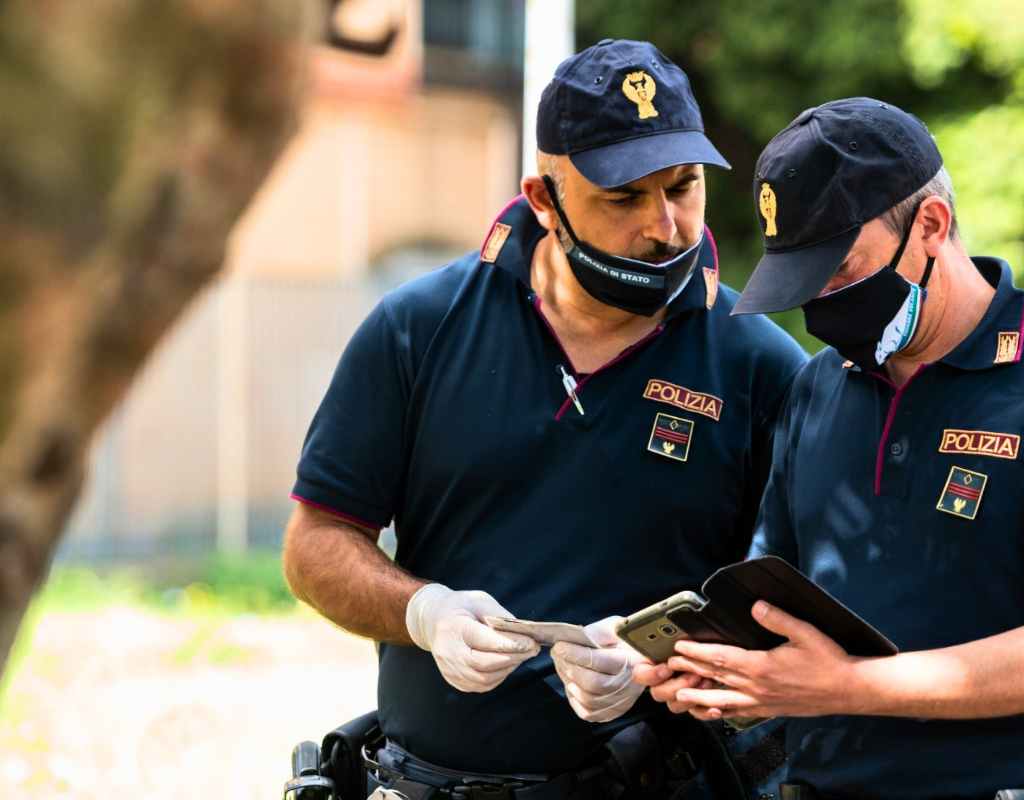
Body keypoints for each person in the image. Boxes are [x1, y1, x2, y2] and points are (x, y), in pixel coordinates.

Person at [281, 39, 807, 799]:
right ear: (542, 201)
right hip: (431, 782)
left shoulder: (760, 362)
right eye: (623, 198)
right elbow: (315, 545)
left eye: (684, 186)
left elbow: (800, 603)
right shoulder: (418, 328)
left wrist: (666, 658)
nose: (665, 226)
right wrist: (423, 612)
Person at [635, 97, 1024, 800]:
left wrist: (850, 687)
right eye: (802, 280)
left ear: (930, 225)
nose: (822, 302)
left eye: (841, 269)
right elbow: (781, 611)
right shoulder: (817, 390)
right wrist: (727, 671)